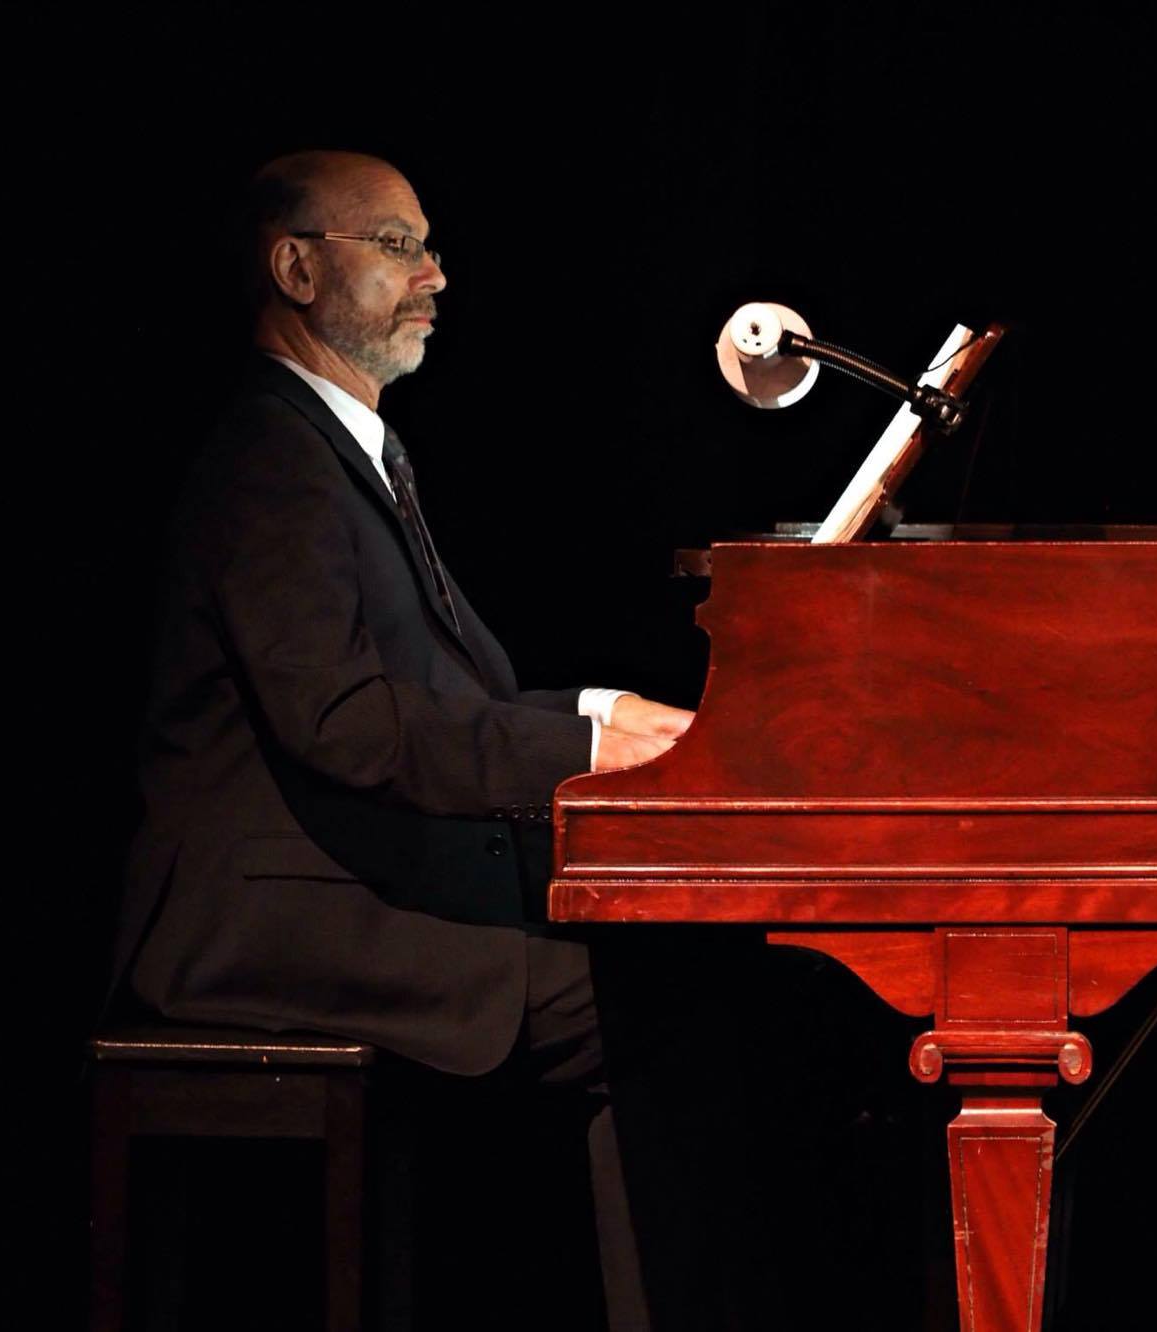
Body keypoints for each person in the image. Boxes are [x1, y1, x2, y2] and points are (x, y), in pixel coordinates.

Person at [111, 149, 693, 1328]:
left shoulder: (341, 448)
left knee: (664, 969)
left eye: (427, 246)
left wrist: (596, 711)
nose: (435, 274)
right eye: (396, 246)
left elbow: (434, 695)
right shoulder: (270, 460)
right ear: (295, 269)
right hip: (266, 922)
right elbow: (345, 724)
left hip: (344, 884)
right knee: (644, 995)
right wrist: (587, 755)